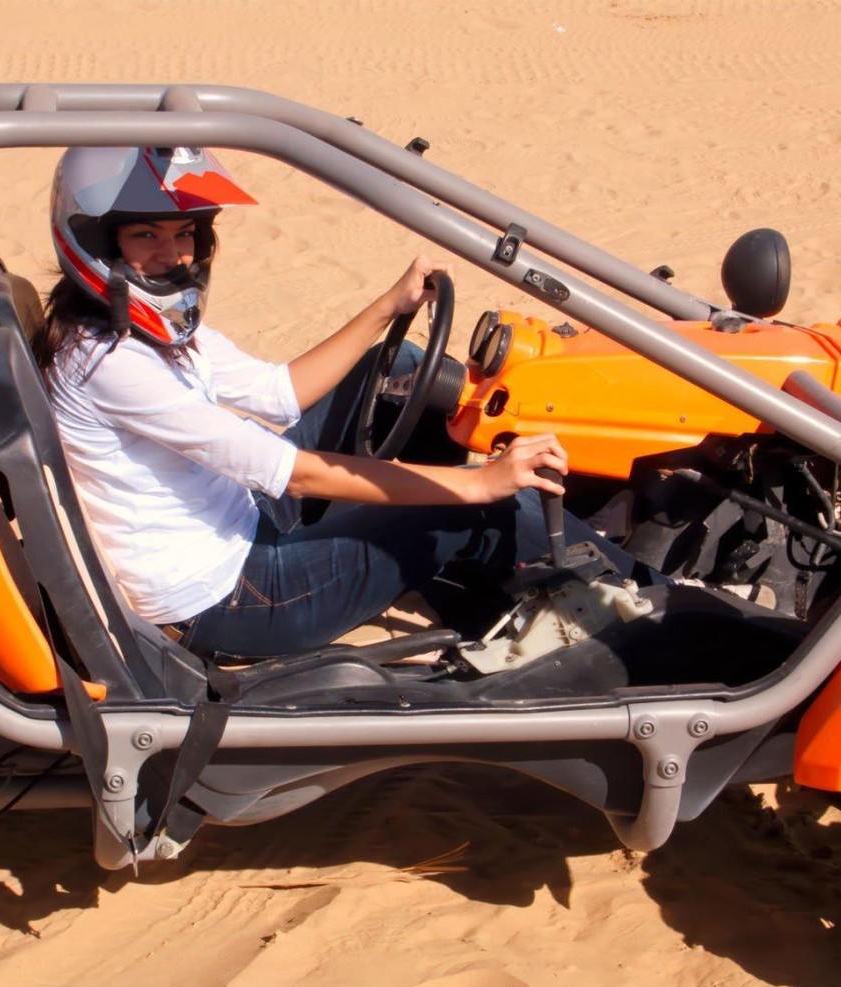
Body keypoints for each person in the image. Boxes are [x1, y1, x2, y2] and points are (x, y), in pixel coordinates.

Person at [36, 145, 641, 660]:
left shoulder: (150, 331)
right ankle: (654, 600)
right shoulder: (111, 362)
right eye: (146, 235)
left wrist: (387, 307)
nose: (173, 255)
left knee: (398, 374)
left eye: (183, 234)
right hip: (227, 599)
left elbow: (279, 394)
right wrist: (478, 486)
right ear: (100, 241)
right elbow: (293, 475)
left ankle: (511, 579)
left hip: (239, 521)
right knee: (477, 506)